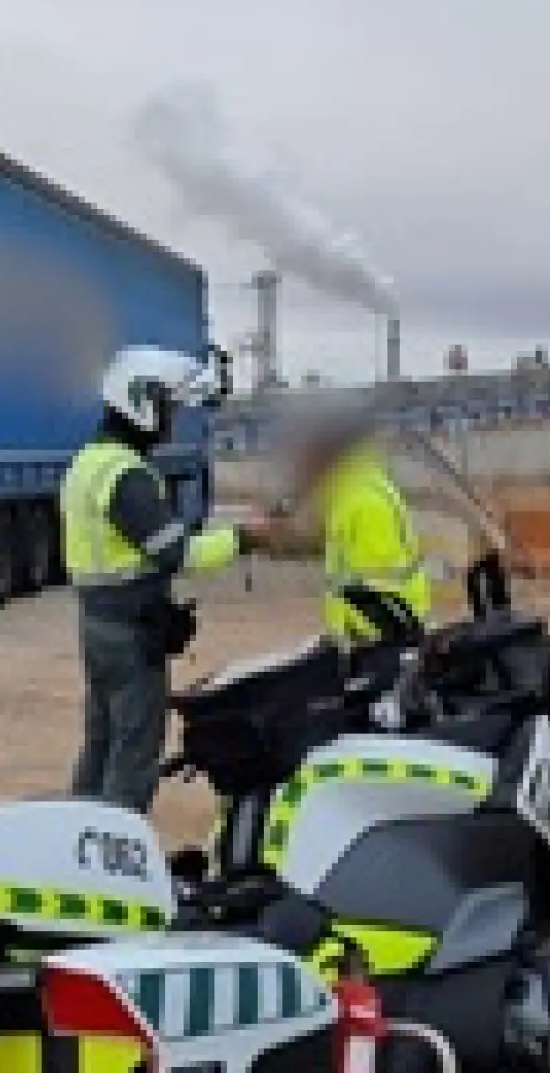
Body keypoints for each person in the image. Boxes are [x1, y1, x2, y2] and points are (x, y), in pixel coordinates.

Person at [60, 345, 271, 813]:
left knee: (100, 742)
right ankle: (114, 861)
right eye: (168, 408)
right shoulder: (126, 475)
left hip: (97, 622)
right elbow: (176, 552)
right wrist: (244, 538)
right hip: (130, 631)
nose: (171, 420)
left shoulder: (87, 464)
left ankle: (74, 840)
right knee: (134, 752)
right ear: (141, 401)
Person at [275, 396, 435, 648]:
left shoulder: (363, 502)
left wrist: (355, 642)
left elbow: (380, 588)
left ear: (329, 452)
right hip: (368, 638)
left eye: (307, 452)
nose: (299, 463)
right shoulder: (347, 494)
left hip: (381, 641)